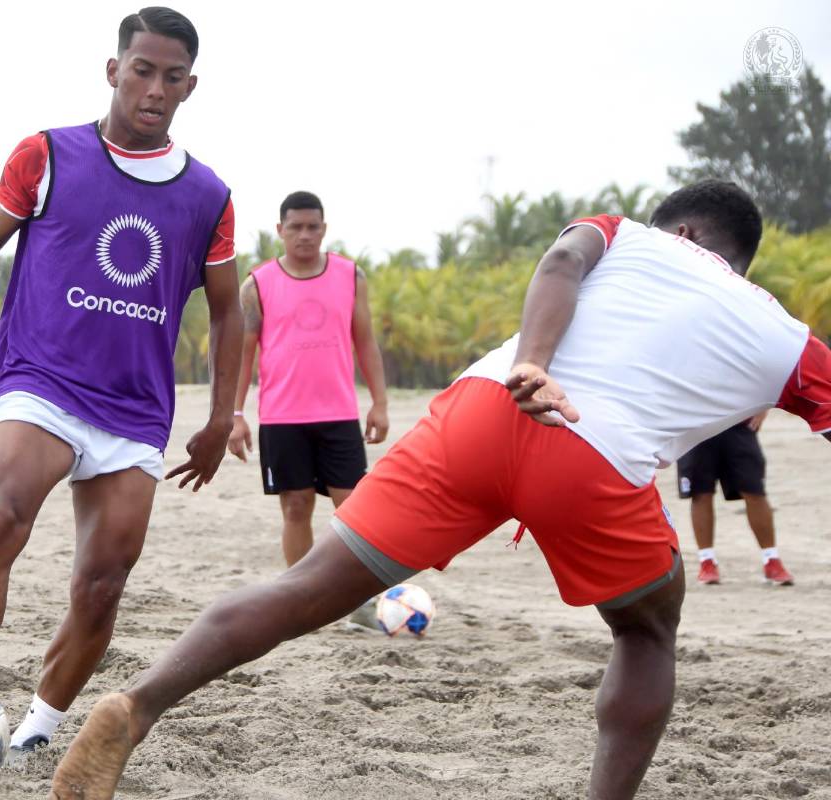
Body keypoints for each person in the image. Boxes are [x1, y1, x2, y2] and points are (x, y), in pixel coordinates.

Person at [47, 180, 831, 800]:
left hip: (480, 409)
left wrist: (533, 363)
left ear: (683, 232)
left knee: (304, 587)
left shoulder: (624, 233)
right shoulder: (789, 339)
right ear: (729, 254)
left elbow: (559, 265)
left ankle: (138, 705)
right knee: (645, 631)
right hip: (592, 458)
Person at [0, 6, 243, 751]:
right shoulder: (47, 154)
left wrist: (222, 415)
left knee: (101, 587)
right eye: (141, 70)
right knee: (2, 516)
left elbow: (230, 316)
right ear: (113, 70)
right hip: (41, 378)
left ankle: (35, 732)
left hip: (133, 409)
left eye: (170, 77)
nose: (153, 88)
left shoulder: (208, 196)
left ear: (190, 87)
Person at [228, 191, 389, 567]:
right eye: (296, 227)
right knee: (296, 508)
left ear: (324, 229)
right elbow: (242, 355)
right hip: (282, 419)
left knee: (354, 512)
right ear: (280, 230)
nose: (305, 235)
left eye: (312, 227)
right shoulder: (257, 285)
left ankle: (357, 597)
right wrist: (235, 415)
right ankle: (299, 596)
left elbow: (365, 342)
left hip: (339, 415)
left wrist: (379, 404)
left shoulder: (351, 276)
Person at [677, 413, 794, 585]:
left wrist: (764, 408)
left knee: (754, 490)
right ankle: (706, 561)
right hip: (696, 424)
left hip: (737, 422)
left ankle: (771, 559)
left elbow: (765, 384)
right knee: (700, 492)